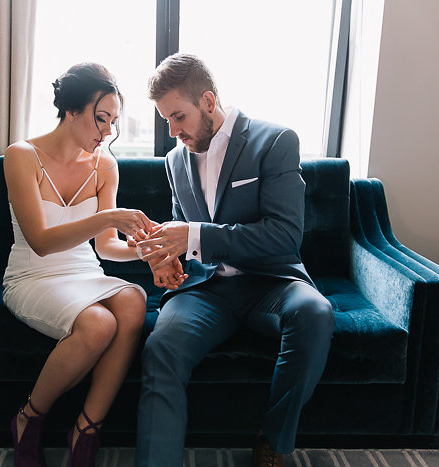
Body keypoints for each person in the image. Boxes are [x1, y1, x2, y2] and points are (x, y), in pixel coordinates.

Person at [134, 54, 335, 467]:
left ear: (208, 101)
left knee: (316, 312)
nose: (172, 131)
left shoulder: (275, 141)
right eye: (165, 120)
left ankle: (274, 441)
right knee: (160, 347)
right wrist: (166, 258)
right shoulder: (175, 159)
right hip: (206, 291)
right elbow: (181, 224)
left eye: (178, 117)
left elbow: (284, 234)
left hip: (272, 283)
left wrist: (193, 237)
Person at [2, 63, 181, 467]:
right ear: (71, 110)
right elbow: (42, 243)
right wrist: (106, 218)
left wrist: (150, 251)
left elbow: (107, 248)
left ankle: (86, 429)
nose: (107, 132)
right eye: (101, 119)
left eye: (114, 121)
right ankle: (28, 419)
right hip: (34, 275)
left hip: (84, 274)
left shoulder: (104, 166)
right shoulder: (22, 156)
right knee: (99, 323)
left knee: (134, 299)